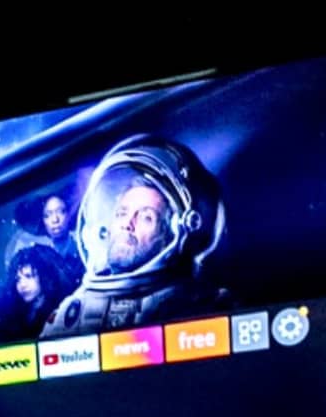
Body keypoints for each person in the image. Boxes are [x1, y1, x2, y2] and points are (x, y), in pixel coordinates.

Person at [47, 135, 227, 333]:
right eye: (122, 213)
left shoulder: (201, 309)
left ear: (172, 234)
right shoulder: (70, 311)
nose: (127, 224)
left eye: (145, 217)